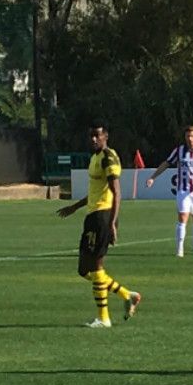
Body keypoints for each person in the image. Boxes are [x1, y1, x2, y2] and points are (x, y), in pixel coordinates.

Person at [56, 124, 141, 327]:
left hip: (103, 217)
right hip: (92, 216)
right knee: (84, 269)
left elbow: (117, 192)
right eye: (91, 135)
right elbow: (95, 191)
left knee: (95, 267)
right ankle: (127, 294)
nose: (94, 139)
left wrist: (112, 222)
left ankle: (104, 318)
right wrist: (75, 207)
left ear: (105, 137)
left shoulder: (108, 157)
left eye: (97, 135)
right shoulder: (94, 158)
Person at [146, 125, 193, 256]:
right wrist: (153, 177)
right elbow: (167, 163)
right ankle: (180, 249)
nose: (190, 139)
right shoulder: (179, 151)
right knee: (183, 217)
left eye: (192, 136)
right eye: (187, 136)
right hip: (183, 190)